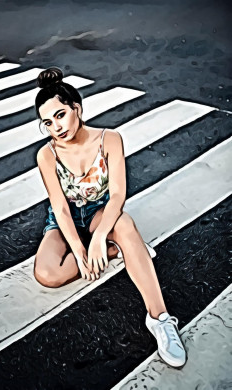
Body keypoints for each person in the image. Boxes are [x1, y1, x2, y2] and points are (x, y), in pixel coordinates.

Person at [33, 66, 187, 369]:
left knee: (124, 223)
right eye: (48, 123)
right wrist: (80, 250)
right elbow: (61, 208)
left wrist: (100, 236)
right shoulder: (46, 155)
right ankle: (126, 250)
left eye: (60, 115)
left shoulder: (109, 139)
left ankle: (160, 319)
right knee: (48, 275)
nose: (57, 127)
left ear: (76, 108)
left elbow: (117, 195)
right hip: (65, 219)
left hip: (98, 212)